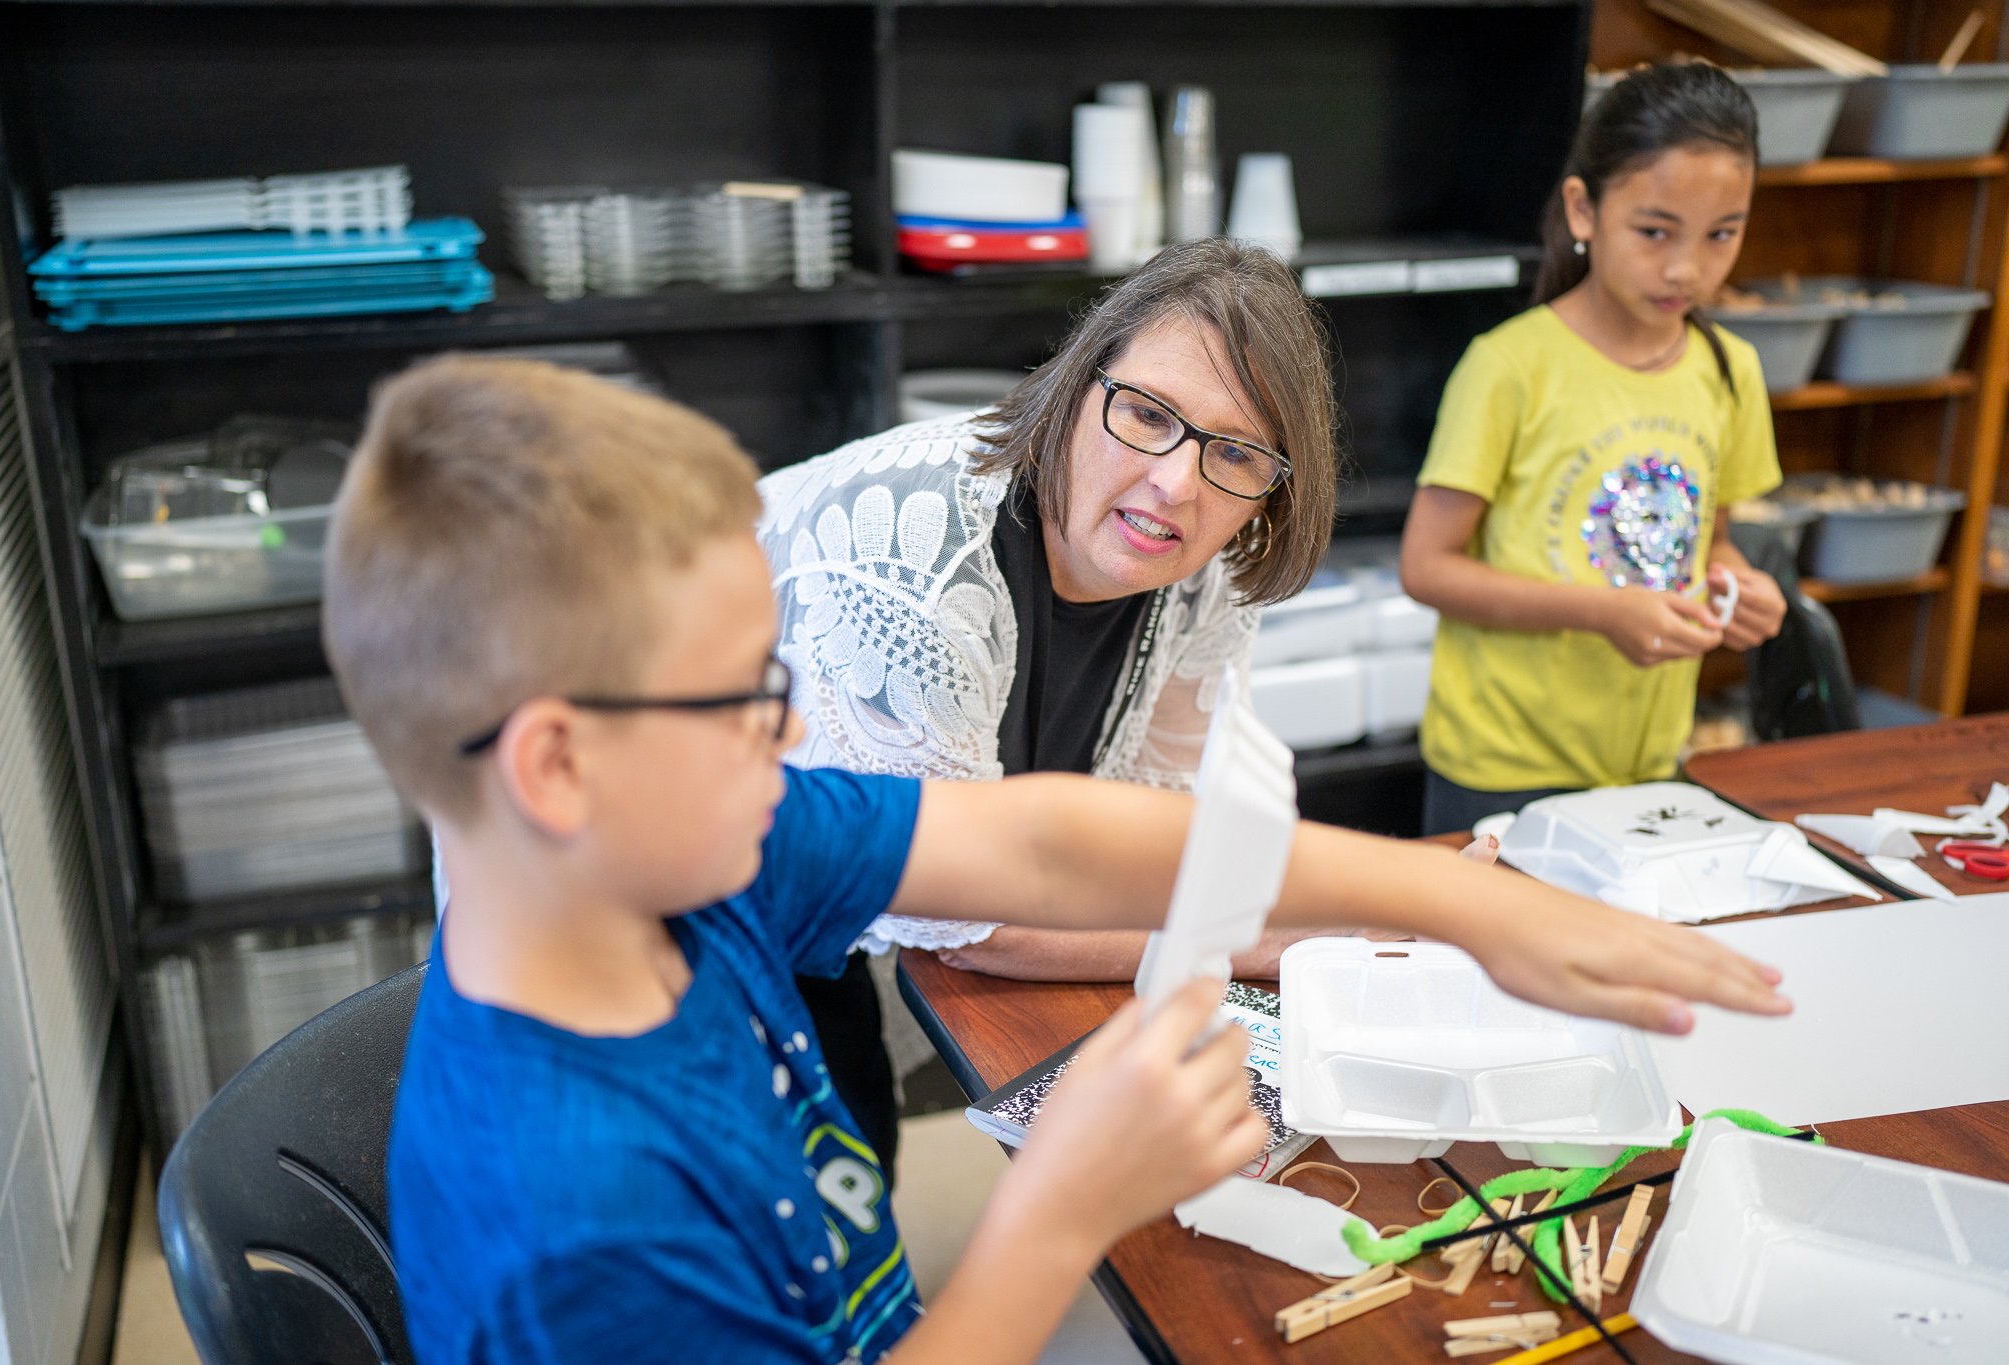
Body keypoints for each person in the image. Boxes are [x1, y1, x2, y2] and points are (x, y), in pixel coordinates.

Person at [331, 356, 1791, 1365]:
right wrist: (1059, 1209)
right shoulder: (576, 1219)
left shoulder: (702, 863)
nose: (789, 740)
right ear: (556, 763)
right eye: (747, 700)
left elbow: (1035, 835)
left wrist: (1454, 898)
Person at [760, 239, 1370, 1168]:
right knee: (786, 1188)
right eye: (1148, 414)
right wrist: (1273, 935)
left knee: (848, 1164)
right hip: (640, 854)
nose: (1175, 483)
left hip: (817, 873)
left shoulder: (1209, 571)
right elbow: (959, 915)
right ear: (1081, 381)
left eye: (1238, 453)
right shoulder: (917, 551)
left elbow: (1163, 824)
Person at [1400, 63, 1789, 837]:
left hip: (1648, 766)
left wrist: (1737, 589)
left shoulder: (1729, 368)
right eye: (1655, 231)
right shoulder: (1509, 366)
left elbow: (1712, 545)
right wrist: (1601, 611)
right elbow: (1427, 566)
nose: (1687, 267)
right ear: (1584, 207)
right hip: (1503, 769)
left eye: (1722, 234)